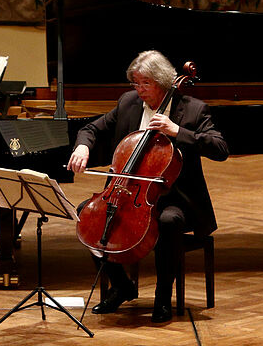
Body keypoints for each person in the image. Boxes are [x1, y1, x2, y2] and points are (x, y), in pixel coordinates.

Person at [67, 50, 228, 323]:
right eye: (135, 83)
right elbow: (92, 129)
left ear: (164, 82)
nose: (138, 90)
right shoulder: (129, 103)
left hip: (175, 196)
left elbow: (220, 148)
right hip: (128, 192)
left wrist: (177, 131)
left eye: (145, 83)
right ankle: (121, 287)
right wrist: (83, 145)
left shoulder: (192, 109)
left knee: (168, 221)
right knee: (88, 214)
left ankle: (163, 296)